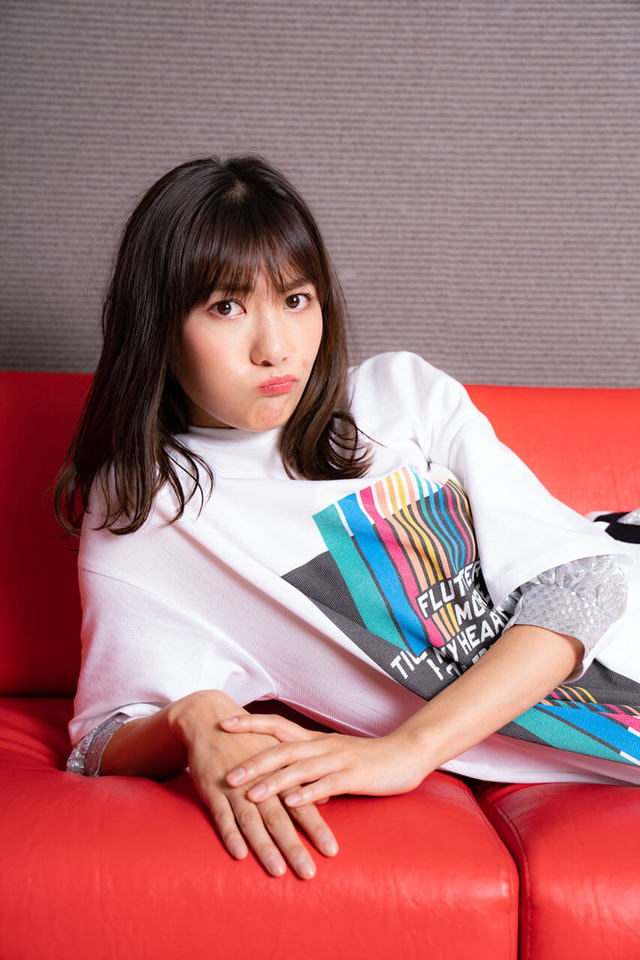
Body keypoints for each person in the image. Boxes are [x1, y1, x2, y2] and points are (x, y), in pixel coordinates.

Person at [56, 155, 640, 882]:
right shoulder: (156, 511)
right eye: (227, 307)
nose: (276, 348)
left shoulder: (400, 395)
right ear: (158, 325)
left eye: (296, 299)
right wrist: (189, 717)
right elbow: (99, 739)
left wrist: (410, 750)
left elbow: (583, 583)